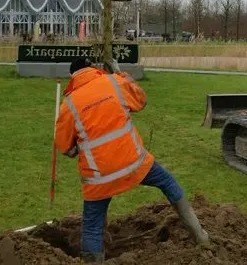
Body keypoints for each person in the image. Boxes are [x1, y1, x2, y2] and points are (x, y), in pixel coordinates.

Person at [54, 57, 210, 262]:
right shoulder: (113, 82)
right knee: (168, 183)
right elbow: (140, 100)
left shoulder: (69, 104)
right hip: (134, 163)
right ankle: (200, 236)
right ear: (93, 68)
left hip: (99, 177)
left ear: (71, 76)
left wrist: (77, 149)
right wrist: (120, 73)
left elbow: (65, 147)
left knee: (92, 224)